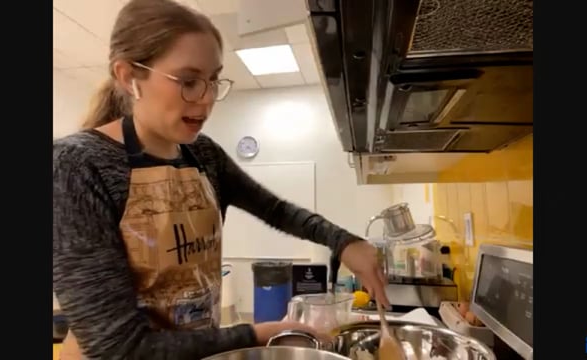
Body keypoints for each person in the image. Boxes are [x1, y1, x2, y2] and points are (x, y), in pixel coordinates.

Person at [52, 0, 389, 359]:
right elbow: (119, 347)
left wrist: (344, 242)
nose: (208, 99)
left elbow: (275, 210)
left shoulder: (203, 155)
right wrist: (252, 335)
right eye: (188, 81)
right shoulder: (77, 167)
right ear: (128, 77)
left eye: (213, 80)